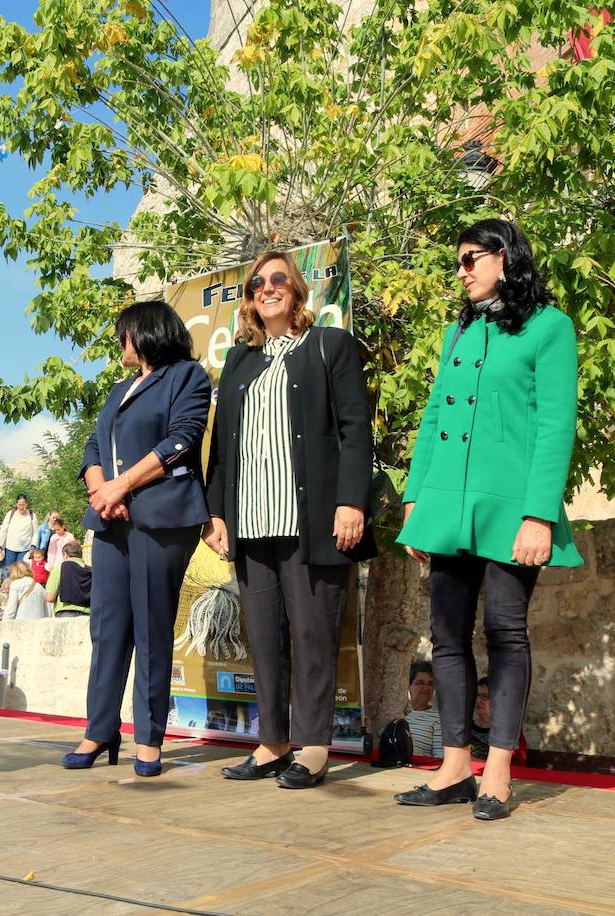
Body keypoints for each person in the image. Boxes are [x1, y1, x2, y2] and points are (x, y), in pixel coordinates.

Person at [395, 218, 583, 822]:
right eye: (460, 261)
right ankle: (454, 766)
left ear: (506, 257)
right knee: (446, 635)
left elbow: (556, 425)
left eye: (472, 258)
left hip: (511, 509)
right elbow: (431, 420)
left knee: (505, 631)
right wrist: (415, 498)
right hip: (448, 505)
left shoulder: (549, 327)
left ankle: (496, 767)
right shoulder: (459, 330)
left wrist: (538, 516)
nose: (463, 270)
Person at [203, 249, 375, 789]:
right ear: (251, 298)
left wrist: (352, 502)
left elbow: (355, 430)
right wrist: (215, 512)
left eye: (278, 279)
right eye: (257, 283)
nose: (268, 288)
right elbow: (222, 445)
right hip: (251, 520)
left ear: (297, 290)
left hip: (310, 520)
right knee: (264, 639)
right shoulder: (238, 361)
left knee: (313, 634)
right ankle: (272, 742)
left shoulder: (329, 346)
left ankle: (315, 746)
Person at [63, 300, 211, 777]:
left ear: (147, 333)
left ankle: (148, 738)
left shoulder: (187, 376)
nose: (120, 341)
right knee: (107, 629)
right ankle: (99, 729)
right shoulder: (119, 388)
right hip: (111, 520)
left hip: (162, 517)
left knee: (150, 627)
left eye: (124, 332)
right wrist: (101, 488)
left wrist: (124, 485)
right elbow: (92, 445)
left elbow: (183, 438)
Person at [404, 661, 443, 758]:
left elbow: (439, 758)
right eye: (420, 683)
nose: (425, 688)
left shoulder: (438, 719)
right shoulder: (395, 712)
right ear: (409, 686)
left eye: (430, 684)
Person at [0, 495, 37, 583]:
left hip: (24, 549)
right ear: (16, 504)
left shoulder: (32, 516)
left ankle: (18, 591)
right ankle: (7, 590)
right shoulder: (10, 514)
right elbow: (4, 530)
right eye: (19, 505)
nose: (21, 507)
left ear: (27, 504)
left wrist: (33, 545)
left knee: (20, 572)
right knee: (8, 571)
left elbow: (36, 532)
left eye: (23, 504)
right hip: (10, 547)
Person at [44, 542, 90, 618]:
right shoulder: (91, 570)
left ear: (65, 555)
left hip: (65, 613)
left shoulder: (60, 568)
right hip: (87, 615)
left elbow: (50, 597)